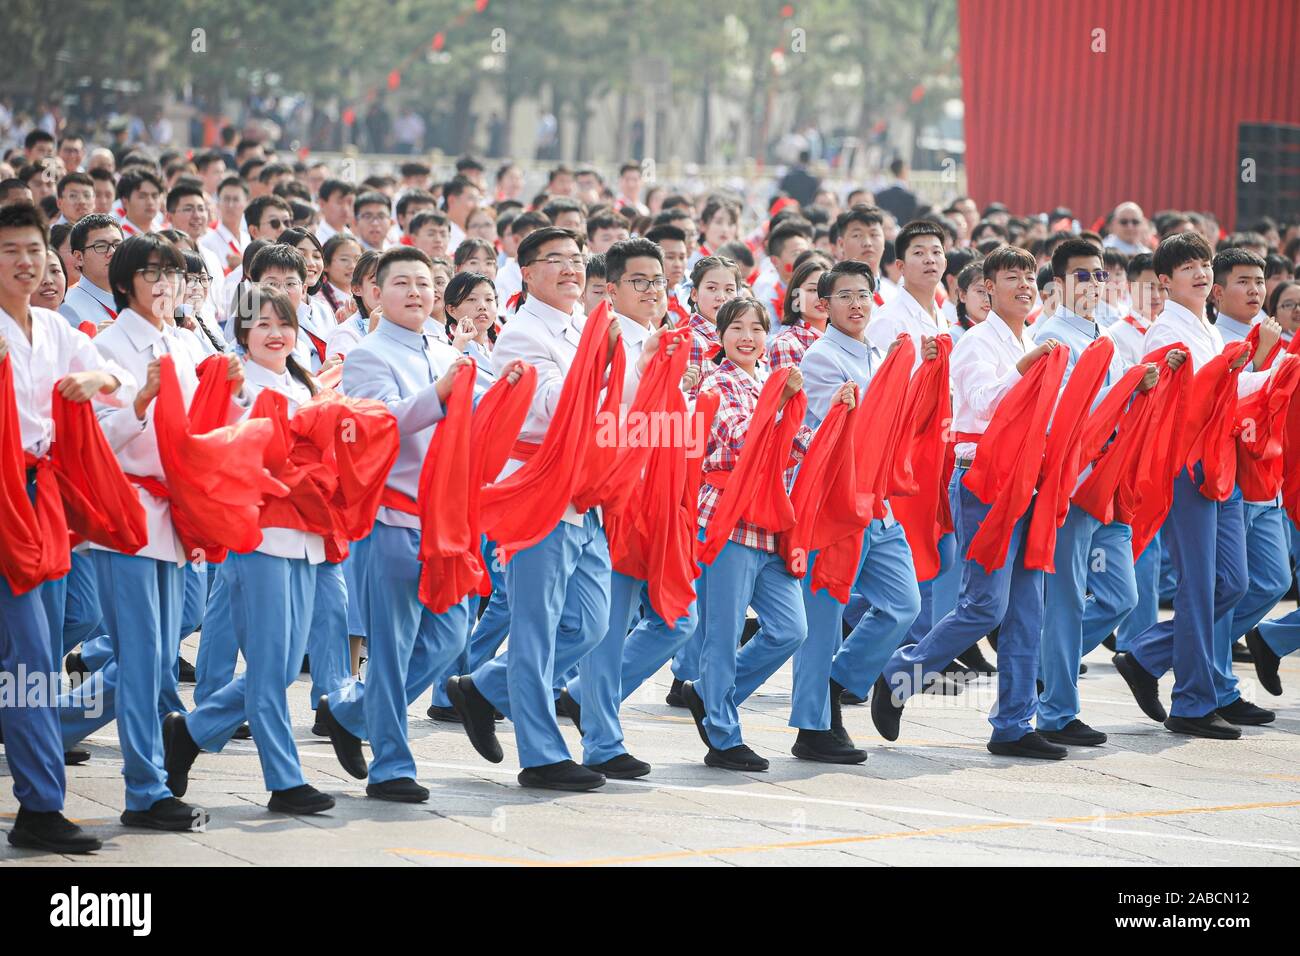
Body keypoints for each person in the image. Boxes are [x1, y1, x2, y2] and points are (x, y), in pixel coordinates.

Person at [319, 247, 518, 803]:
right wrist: (438, 395)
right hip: (392, 519)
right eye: (401, 282)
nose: (414, 292)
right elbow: (377, 425)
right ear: (375, 293)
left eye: (424, 283)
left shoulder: (444, 348)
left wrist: (507, 387)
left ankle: (352, 712)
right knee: (393, 645)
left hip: (446, 522)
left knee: (451, 635)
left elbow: (479, 415)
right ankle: (391, 767)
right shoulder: (366, 356)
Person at [71, 233, 248, 828]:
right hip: (126, 515)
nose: (165, 284)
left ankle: (44, 725)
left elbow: (197, 428)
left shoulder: (180, 338)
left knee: (154, 659)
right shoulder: (103, 345)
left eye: (172, 274)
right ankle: (144, 790)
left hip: (172, 516)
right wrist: (140, 402)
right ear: (124, 283)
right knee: (143, 658)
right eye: (151, 273)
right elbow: (96, 434)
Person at [873, 245, 1067, 759]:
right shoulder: (977, 342)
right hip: (983, 478)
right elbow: (984, 404)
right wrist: (1027, 367)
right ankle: (901, 671)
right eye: (1011, 278)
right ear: (986, 289)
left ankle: (1013, 723)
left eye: (1029, 277)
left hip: (1028, 478)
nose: (1024, 286)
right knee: (986, 604)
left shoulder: (1034, 339)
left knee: (1029, 609)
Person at [445, 226, 622, 792]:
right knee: (536, 631)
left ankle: (484, 687)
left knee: (590, 624)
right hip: (538, 493)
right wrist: (601, 361)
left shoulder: (580, 327)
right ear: (526, 273)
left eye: (578, 260)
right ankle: (542, 755)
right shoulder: (522, 334)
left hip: (582, 491)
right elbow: (547, 407)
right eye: (558, 261)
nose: (573, 270)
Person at [162, 288, 336, 816]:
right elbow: (220, 453)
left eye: (284, 322)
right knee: (266, 666)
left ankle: (189, 731)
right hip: (257, 536)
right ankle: (285, 780)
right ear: (242, 332)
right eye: (261, 324)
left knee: (283, 668)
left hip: (304, 537)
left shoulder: (304, 382)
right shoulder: (236, 383)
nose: (274, 332)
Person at [0, 202, 134, 852]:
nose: (27, 262)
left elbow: (122, 378)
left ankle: (39, 803)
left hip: (39, 500)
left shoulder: (54, 331)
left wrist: (95, 375)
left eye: (35, 250)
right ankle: (40, 803)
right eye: (12, 250)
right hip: (5, 497)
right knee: (27, 659)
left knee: (37, 656)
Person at [1114, 233, 1276, 739]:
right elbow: (1193, 402)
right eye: (1189, 268)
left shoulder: (1204, 327)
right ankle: (1192, 701)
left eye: (1205, 264)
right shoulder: (1166, 333)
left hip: (1219, 463)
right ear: (1165, 281)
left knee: (1233, 582)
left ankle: (1146, 654)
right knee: (1201, 585)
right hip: (1189, 469)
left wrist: (1264, 369)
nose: (1202, 273)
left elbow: (1226, 395)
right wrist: (1260, 364)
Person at [560, 238, 693, 778]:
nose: (652, 291)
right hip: (619, 495)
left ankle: (583, 698)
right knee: (610, 625)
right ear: (610, 290)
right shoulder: (610, 342)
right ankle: (602, 740)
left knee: (679, 619)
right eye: (639, 281)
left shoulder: (670, 340)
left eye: (658, 281)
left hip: (662, 496)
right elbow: (605, 417)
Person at [678, 296, 822, 770]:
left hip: (771, 522)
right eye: (736, 328)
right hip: (727, 517)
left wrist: (835, 417)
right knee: (723, 632)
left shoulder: (768, 381)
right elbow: (740, 438)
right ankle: (722, 735)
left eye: (757, 329)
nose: (747, 337)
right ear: (719, 336)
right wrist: (778, 402)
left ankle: (712, 696)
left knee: (790, 629)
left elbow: (799, 444)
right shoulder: (717, 384)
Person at [789, 259, 924, 762]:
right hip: (835, 504)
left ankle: (839, 681)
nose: (856, 304)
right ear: (824, 305)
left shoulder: (874, 355)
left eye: (863, 294)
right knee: (823, 617)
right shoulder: (822, 358)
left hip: (877, 503)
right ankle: (813, 728)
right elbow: (840, 431)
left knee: (903, 603)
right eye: (844, 295)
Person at [1032, 238, 1165, 745]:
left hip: (1107, 480)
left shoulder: (1100, 335)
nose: (1093, 283)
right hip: (1072, 481)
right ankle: (1057, 711)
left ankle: (1046, 669)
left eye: (1098, 274)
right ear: (1059, 284)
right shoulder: (1052, 337)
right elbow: (1063, 413)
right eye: (1081, 275)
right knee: (1066, 597)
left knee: (1120, 596)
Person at [1198, 248, 1287, 725]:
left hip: (1264, 478)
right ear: (1218, 291)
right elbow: (1226, 404)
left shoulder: (1269, 335)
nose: (1255, 290)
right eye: (1243, 281)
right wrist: (1262, 359)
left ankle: (1179, 654)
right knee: (1228, 585)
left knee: (1272, 580)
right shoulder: (1216, 339)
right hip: (1228, 478)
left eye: (1259, 281)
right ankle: (1215, 683)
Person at [867, 219, 949, 371]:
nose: (930, 260)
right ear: (900, 266)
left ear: (944, 263)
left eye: (936, 252)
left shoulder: (940, 314)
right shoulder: (887, 321)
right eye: (919, 253)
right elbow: (879, 383)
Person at [59, 214, 122, 331]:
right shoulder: (68, 307)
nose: (113, 252)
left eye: (118, 245)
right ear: (79, 257)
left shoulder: (136, 298)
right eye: (101, 246)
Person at [768, 255, 830, 370]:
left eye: (826, 290)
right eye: (812, 290)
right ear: (796, 297)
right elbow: (787, 388)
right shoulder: (785, 344)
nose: (821, 297)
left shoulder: (844, 338)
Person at [200, 176, 249, 277]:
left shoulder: (247, 238)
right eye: (226, 199)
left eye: (236, 199)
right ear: (218, 203)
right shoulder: (207, 241)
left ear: (246, 203)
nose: (230, 205)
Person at [115, 169, 163, 237]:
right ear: (124, 202)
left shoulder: (163, 232)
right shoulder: (118, 238)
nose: (150, 202)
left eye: (154, 196)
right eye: (142, 196)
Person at [315, 178, 355, 245]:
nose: (346, 209)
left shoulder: (352, 237)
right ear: (322, 204)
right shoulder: (316, 241)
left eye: (350, 203)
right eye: (340, 202)